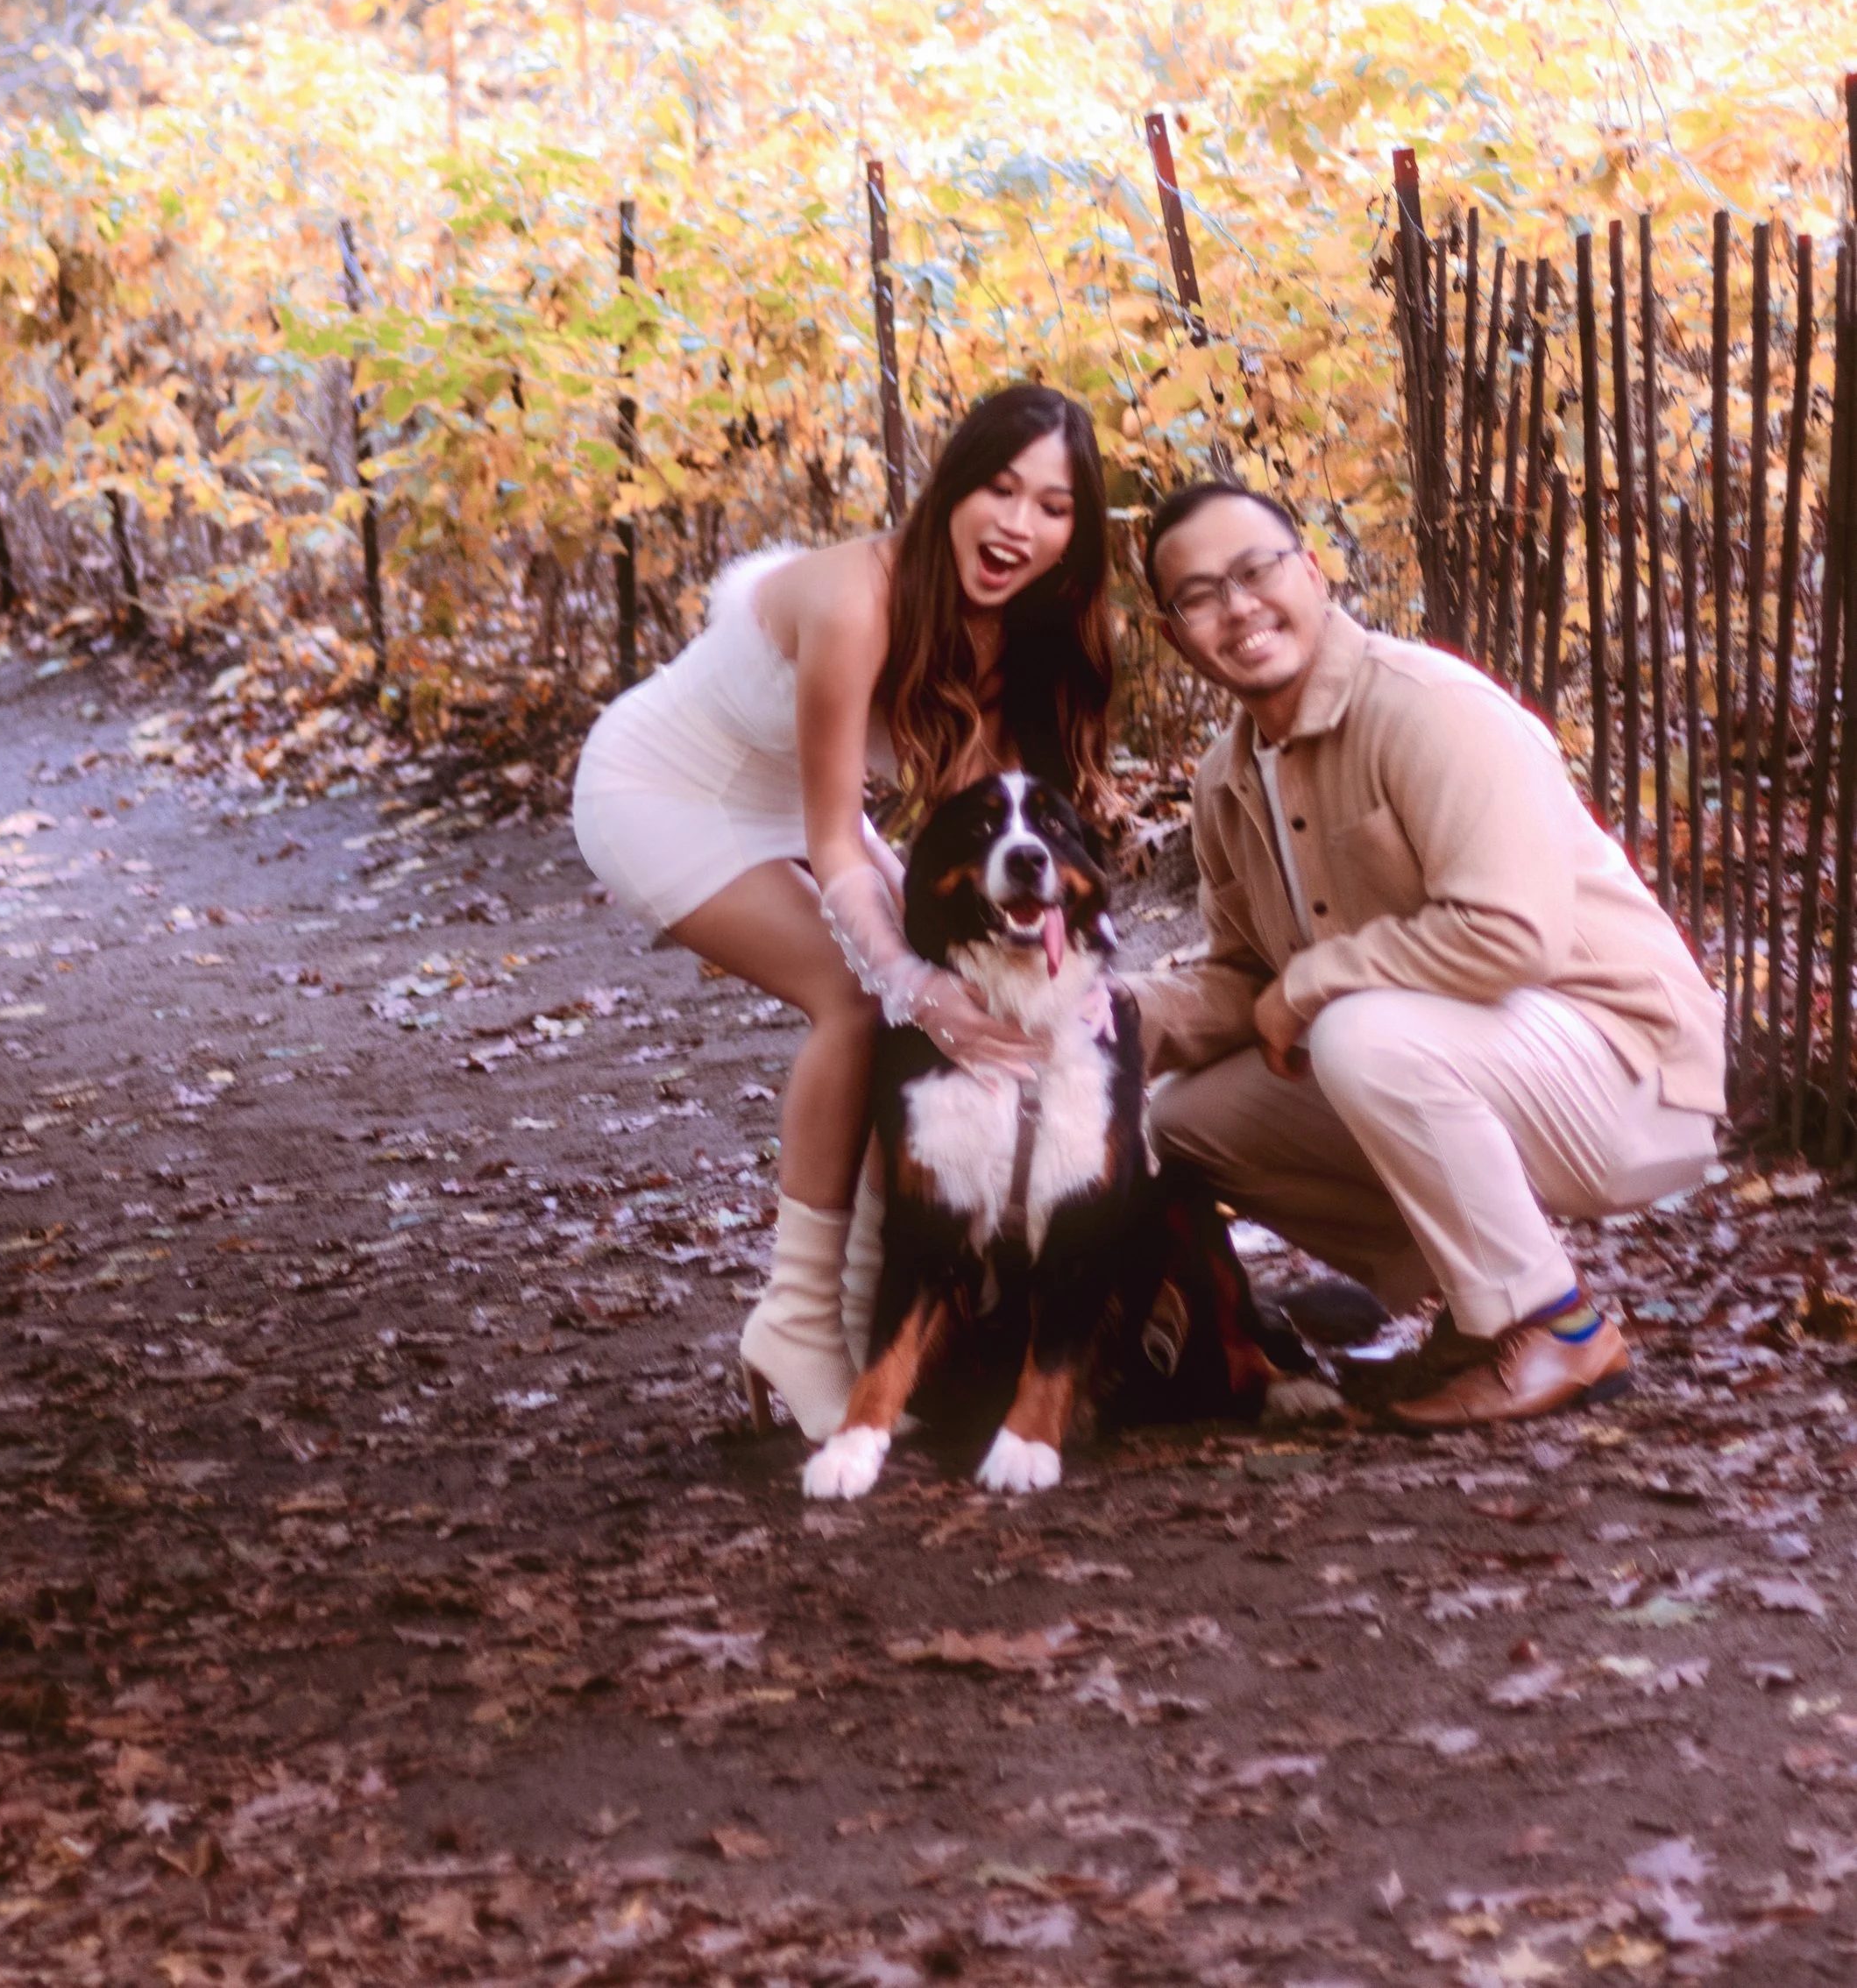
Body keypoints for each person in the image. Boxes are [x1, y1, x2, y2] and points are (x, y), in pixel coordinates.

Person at [572, 382, 1118, 1440]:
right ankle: (795, 1323)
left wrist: (1072, 984)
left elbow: (1002, 840)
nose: (1019, 525)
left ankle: (878, 1314)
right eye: (1000, 490)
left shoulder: (1020, 628)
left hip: (783, 802)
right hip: (660, 790)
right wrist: (911, 982)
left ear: (1075, 534)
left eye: (1053, 508)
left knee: (949, 1003)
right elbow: (835, 842)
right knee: (861, 1002)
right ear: (952, 486)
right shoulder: (855, 599)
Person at [1129, 478, 1724, 1431]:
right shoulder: (1223, 779)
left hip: (1627, 1068)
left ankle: (1558, 1328)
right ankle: (1478, 1304)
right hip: (1472, 1058)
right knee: (1189, 1119)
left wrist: (1311, 984)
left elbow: (1509, 934)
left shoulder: (1428, 705)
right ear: (1173, 634)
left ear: (1311, 572)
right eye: (1199, 596)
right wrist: (1113, 1019)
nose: (1236, 608)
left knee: (1357, 1032)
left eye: (1255, 571)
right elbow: (1247, 979)